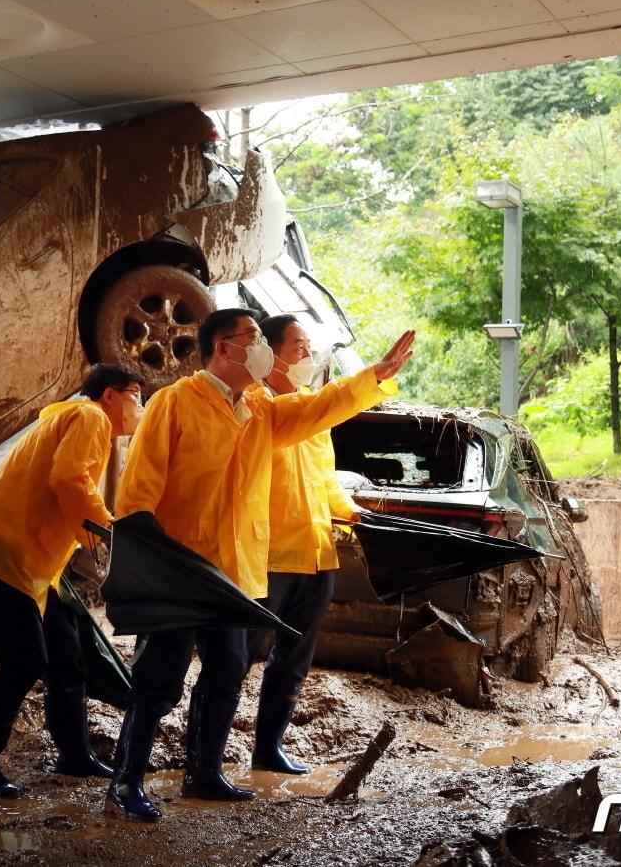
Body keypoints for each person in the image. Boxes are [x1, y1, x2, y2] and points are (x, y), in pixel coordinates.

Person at [105, 307, 414, 822]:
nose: (262, 347)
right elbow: (139, 490)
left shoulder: (259, 409)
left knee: (227, 671)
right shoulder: (177, 402)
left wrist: (371, 377)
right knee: (160, 680)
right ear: (224, 347)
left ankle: (203, 773)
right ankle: (125, 783)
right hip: (181, 571)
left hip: (235, 573)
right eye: (252, 338)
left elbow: (317, 408)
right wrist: (149, 562)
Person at [0, 364, 145, 798]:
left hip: (34, 568)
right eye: (136, 395)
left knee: (67, 657)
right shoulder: (92, 417)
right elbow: (68, 479)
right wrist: (106, 529)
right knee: (24, 660)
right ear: (110, 395)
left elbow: (64, 485)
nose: (140, 406)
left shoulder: (70, 418)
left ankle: (73, 754)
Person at [250, 314, 362, 775]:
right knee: (233, 660)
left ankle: (268, 749)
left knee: (293, 662)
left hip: (317, 554)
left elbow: (324, 481)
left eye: (308, 347)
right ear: (269, 352)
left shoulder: (314, 413)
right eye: (298, 346)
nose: (307, 355)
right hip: (266, 556)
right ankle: (205, 757)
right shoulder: (251, 407)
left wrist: (352, 515)